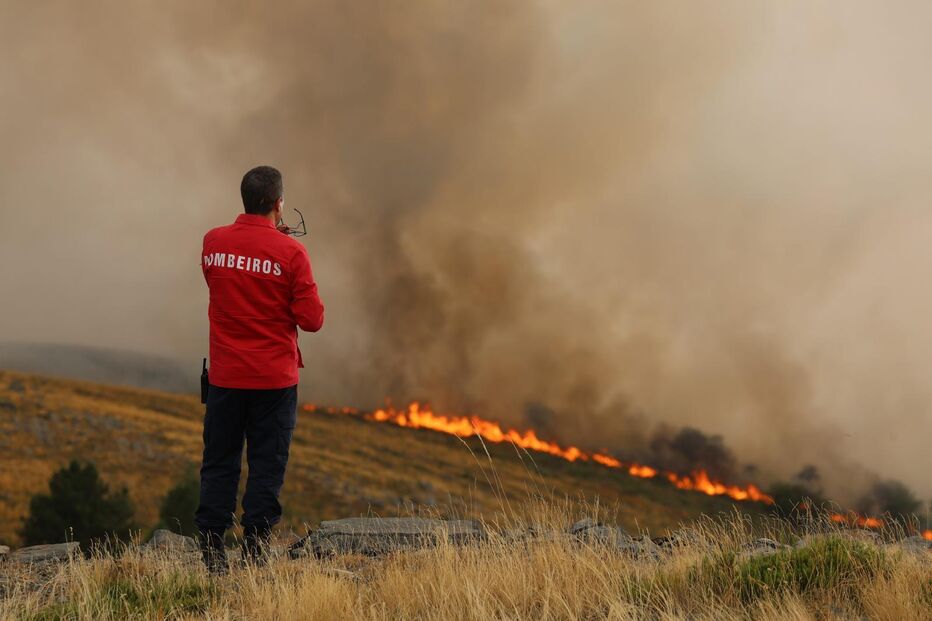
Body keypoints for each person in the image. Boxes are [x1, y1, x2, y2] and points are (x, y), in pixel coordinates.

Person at [195, 165, 324, 573]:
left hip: (226, 378)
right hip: (273, 381)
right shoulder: (292, 253)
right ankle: (254, 554)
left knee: (219, 462)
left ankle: (213, 553)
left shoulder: (213, 241)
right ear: (278, 203)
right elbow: (312, 319)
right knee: (266, 466)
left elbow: (221, 286)